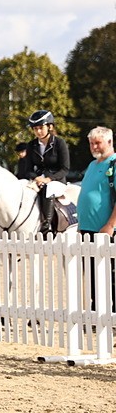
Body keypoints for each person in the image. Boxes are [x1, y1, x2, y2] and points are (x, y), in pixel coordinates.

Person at [77, 127, 116, 311]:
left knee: (111, 274)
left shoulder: (114, 164)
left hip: (106, 230)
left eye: (98, 142)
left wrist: (110, 224)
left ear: (109, 142)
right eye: (91, 143)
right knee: (92, 274)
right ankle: (97, 313)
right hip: (88, 230)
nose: (94, 146)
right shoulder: (92, 165)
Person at [15, 109, 70, 236]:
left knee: (48, 188)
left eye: (41, 128)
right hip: (38, 180)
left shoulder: (59, 143)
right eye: (35, 129)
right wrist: (36, 178)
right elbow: (28, 170)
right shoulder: (31, 145)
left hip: (56, 181)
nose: (38, 132)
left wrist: (48, 179)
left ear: (49, 126)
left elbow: (65, 169)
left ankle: (46, 226)